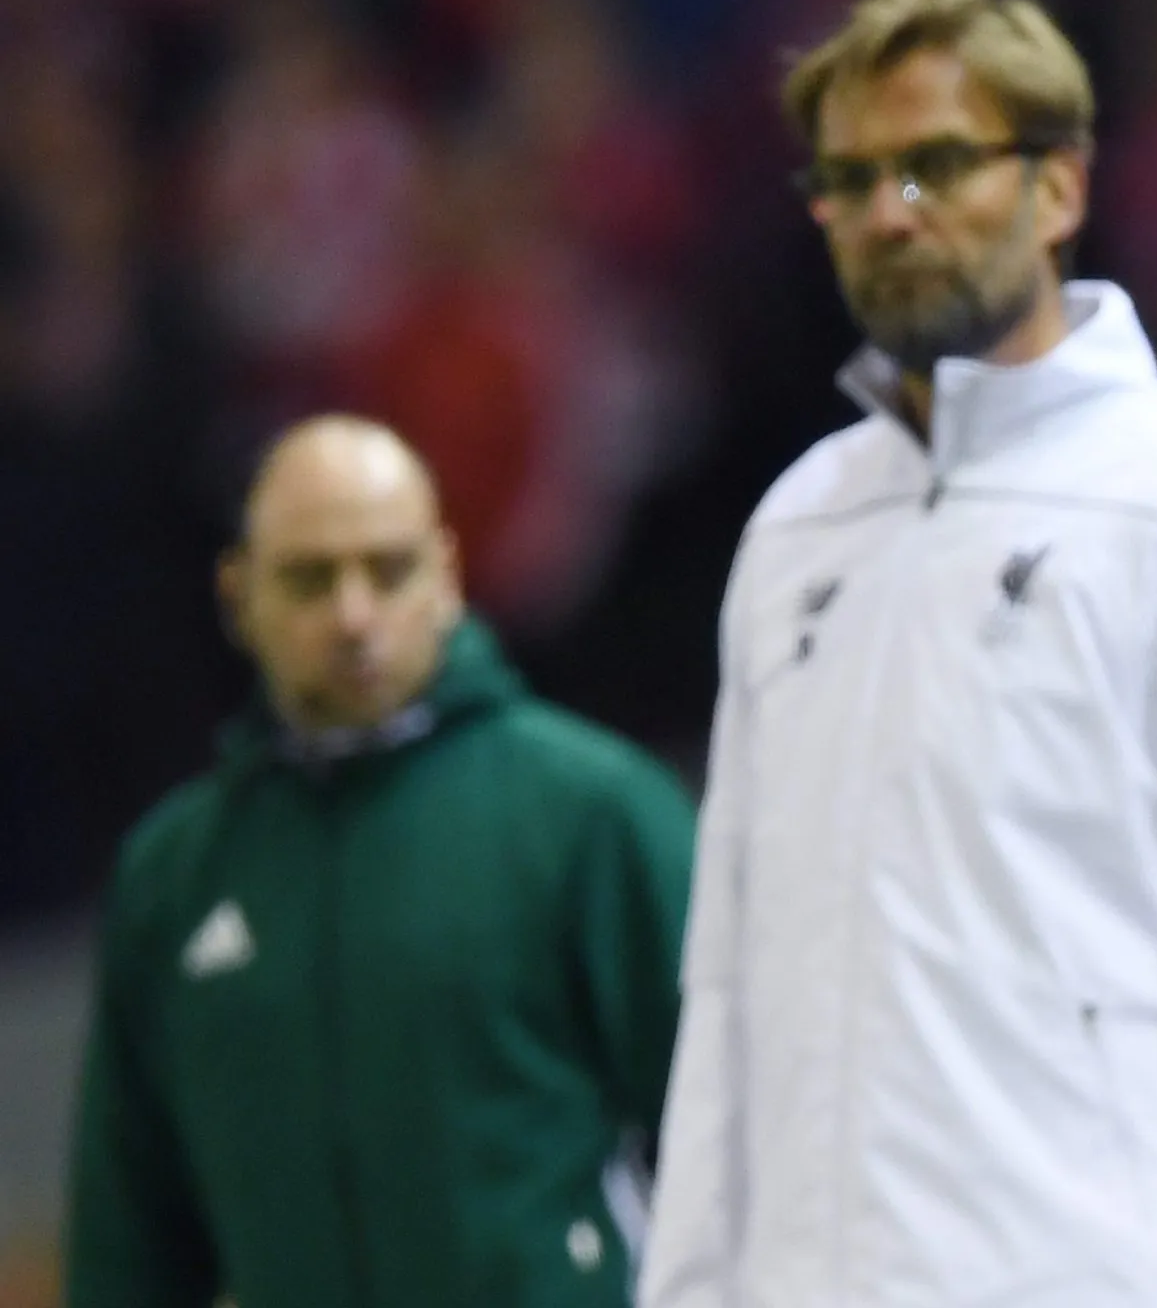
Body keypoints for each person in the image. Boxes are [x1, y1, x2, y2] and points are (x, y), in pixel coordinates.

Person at [641, 0, 1157, 1308]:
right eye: (851, 179)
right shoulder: (795, 532)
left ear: (1059, 186)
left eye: (936, 161)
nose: (891, 210)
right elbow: (725, 989)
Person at [63, 414, 697, 1308]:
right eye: (310, 579)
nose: (354, 616)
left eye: (388, 570)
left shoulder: (592, 814)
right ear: (239, 594)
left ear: (446, 577)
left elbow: (732, 1146)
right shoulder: (174, 879)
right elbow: (127, 1241)